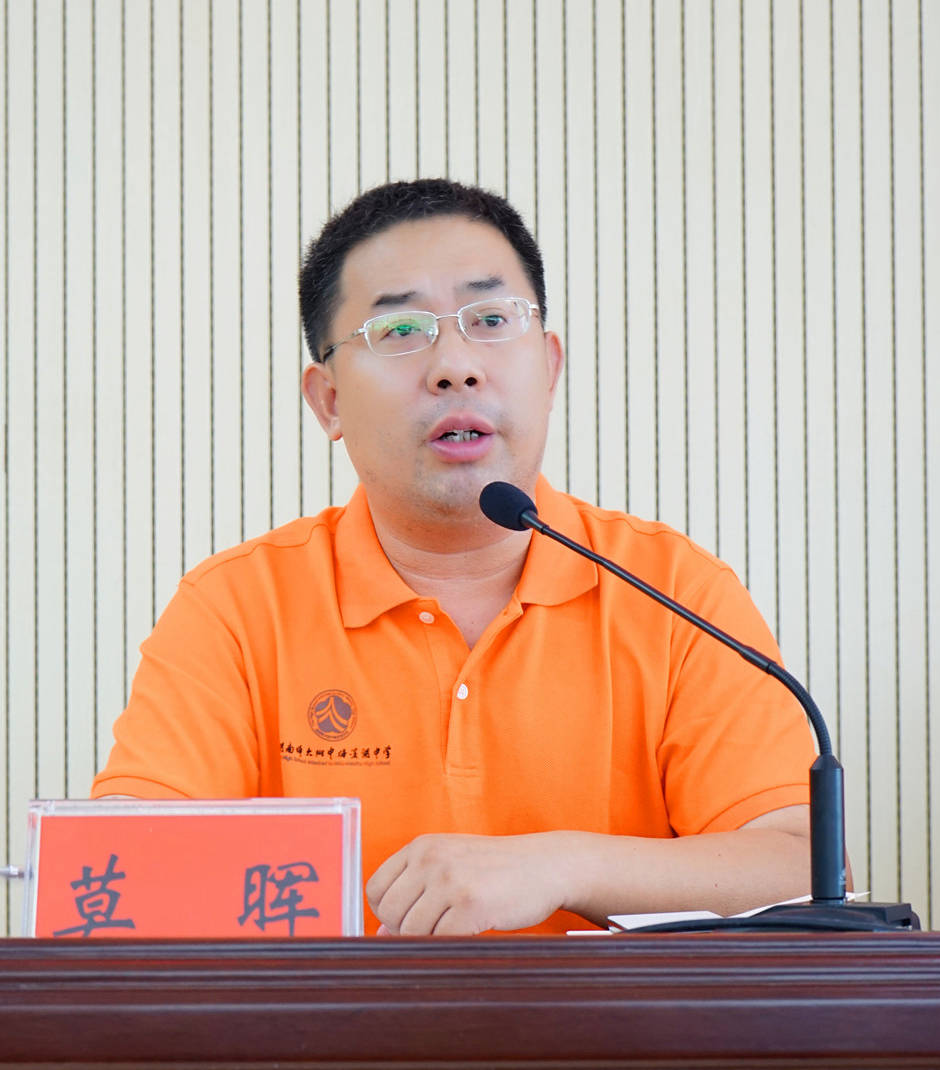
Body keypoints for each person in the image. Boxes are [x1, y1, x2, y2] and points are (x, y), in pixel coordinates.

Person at [92, 178, 816, 935]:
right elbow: (124, 868)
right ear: (329, 401)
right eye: (400, 330)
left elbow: (799, 870)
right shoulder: (238, 609)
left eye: (491, 319)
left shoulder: (674, 591)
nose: (456, 366)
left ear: (550, 369)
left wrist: (561, 866)